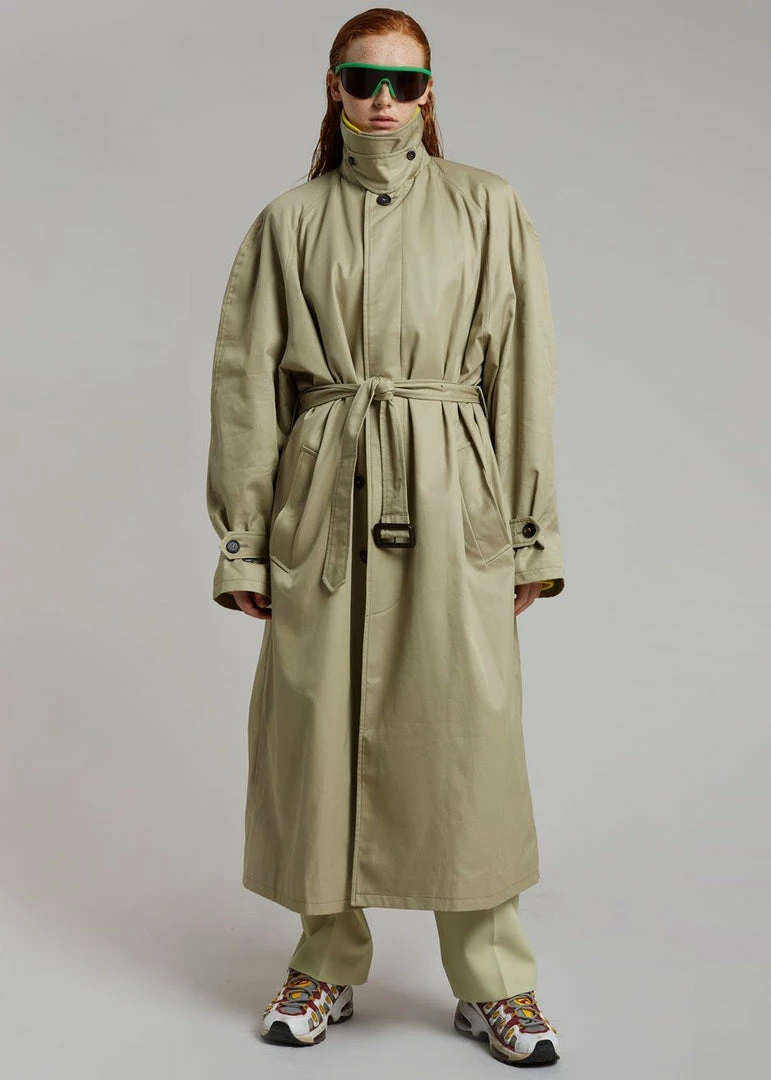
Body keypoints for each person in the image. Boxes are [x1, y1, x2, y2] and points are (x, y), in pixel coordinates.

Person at [206, 7, 565, 1067]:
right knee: (319, 735)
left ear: (429, 92)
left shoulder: (486, 206)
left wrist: (531, 534)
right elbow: (246, 388)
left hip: (453, 493)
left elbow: (523, 375)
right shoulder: (288, 221)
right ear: (333, 84)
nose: (381, 100)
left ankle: (494, 980)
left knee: (466, 740)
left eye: (403, 82)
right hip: (324, 495)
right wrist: (245, 539)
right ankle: (325, 960)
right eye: (363, 78)